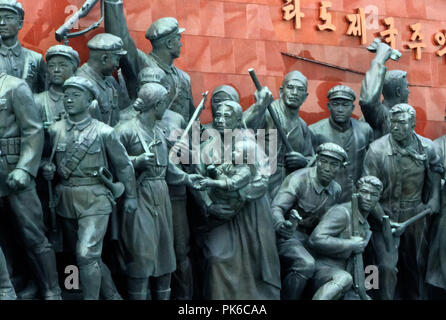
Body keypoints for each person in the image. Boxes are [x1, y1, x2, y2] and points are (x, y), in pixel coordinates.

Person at [41, 76, 138, 300]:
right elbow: (45, 159)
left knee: (85, 255)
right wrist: (47, 168)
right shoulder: (55, 129)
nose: (68, 100)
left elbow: (124, 166)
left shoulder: (104, 132)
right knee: (86, 257)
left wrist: (131, 196)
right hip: (65, 199)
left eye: (76, 95)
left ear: (89, 101)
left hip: (95, 199)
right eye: (66, 95)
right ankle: (113, 296)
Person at [114, 83, 203, 300]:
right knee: (141, 255)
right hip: (138, 195)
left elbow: (167, 167)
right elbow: (111, 165)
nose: (166, 107)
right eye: (164, 103)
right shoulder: (124, 131)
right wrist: (137, 161)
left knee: (165, 255)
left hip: (161, 195)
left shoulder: (158, 130)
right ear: (157, 104)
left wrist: (188, 179)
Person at [192, 100, 281, 299]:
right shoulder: (206, 148)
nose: (221, 120)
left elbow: (263, 179)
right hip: (220, 216)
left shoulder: (250, 145)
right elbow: (198, 181)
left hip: (251, 213)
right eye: (219, 116)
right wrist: (210, 205)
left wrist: (238, 195)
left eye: (227, 117)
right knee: (216, 257)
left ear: (238, 120)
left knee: (256, 261)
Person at [363, 103, 442, 300]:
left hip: (415, 216)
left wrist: (434, 198)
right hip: (384, 216)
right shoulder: (376, 151)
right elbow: (368, 193)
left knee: (416, 265)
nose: (396, 126)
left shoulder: (427, 147)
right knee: (384, 267)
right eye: (393, 122)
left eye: (402, 122)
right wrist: (384, 220)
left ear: (413, 124)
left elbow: (435, 171)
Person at [0, 71, 61, 299]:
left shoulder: (14, 86)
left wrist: (25, 169)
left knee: (33, 234)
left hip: (13, 170)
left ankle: (52, 289)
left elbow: (33, 130)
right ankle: (7, 288)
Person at [271, 142, 346, 300]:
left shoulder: (336, 190)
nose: (327, 168)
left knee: (340, 272)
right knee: (305, 264)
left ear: (340, 168)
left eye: (334, 164)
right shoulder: (298, 180)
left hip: (313, 242)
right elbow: (276, 208)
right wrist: (280, 224)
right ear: (316, 161)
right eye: (323, 162)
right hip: (288, 238)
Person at [104, 0, 195, 122]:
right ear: (169, 43)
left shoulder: (184, 78)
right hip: (146, 137)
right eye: (178, 39)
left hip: (177, 138)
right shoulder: (143, 64)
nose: (180, 44)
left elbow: (193, 118)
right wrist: (113, 3)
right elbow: (121, 39)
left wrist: (197, 138)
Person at [308, 176, 383, 300]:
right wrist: (350, 244)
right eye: (364, 192)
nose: (368, 198)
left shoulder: (366, 226)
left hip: (347, 282)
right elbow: (315, 239)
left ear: (378, 199)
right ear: (356, 192)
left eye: (374, 194)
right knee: (344, 278)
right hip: (324, 273)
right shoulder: (342, 212)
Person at [244, 70, 314, 198]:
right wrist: (259, 106)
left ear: (305, 96)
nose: (294, 93)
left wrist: (303, 161)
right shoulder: (266, 113)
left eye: (300, 89)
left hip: (288, 187)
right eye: (290, 87)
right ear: (281, 91)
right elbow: (241, 130)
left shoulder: (303, 126)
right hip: (263, 181)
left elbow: (311, 159)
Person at [310, 85, 374, 203]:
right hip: (326, 198)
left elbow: (371, 164)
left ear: (353, 107)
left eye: (345, 105)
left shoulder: (365, 130)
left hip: (355, 197)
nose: (340, 109)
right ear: (329, 106)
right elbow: (309, 168)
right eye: (335, 104)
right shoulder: (315, 131)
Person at [359, 40, 410, 140]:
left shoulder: (405, 115)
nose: (409, 92)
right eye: (407, 87)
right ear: (398, 91)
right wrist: (380, 57)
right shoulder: (381, 115)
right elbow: (367, 100)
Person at [76, 33, 129, 127]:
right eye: (116, 59)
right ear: (104, 59)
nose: (117, 65)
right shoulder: (81, 84)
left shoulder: (109, 80)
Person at [0, 0, 45, 93]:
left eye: (8, 18)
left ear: (20, 24)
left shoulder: (35, 59)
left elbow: (44, 95)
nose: (2, 23)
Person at [35, 45, 80, 129]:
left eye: (62, 65)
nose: (56, 70)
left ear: (74, 69)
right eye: (51, 66)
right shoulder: (37, 101)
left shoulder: (84, 100)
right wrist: (41, 129)